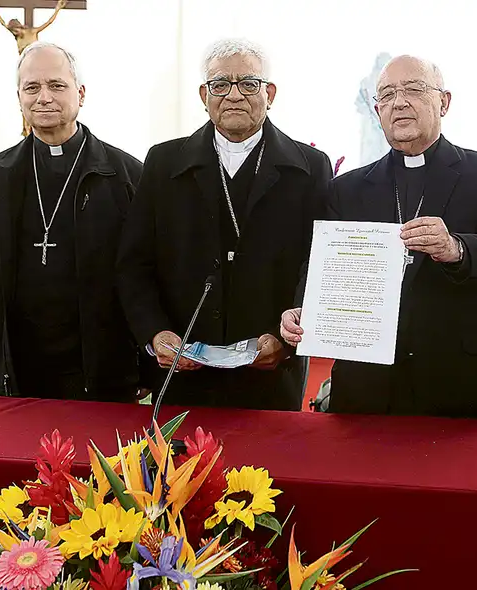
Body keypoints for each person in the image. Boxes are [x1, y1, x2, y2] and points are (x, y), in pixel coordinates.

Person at [280, 55, 477, 421]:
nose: (400, 102)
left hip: (461, 381)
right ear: (377, 111)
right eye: (387, 94)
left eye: (414, 89)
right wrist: (305, 309)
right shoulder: (347, 188)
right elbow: (322, 267)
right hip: (369, 385)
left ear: (444, 102)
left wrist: (455, 248)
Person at [117, 38, 332, 411]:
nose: (234, 95)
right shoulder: (164, 163)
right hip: (182, 371)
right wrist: (154, 334)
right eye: (220, 85)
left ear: (270, 92)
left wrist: (287, 339)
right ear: (204, 94)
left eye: (248, 84)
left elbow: (319, 264)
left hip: (271, 370)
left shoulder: (310, 168)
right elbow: (134, 263)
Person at [0, 42, 144, 402]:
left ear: (80, 93)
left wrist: (149, 368)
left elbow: (149, 274)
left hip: (101, 371)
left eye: (57, 86)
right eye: (32, 87)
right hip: (16, 371)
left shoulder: (124, 175)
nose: (44, 98)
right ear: (19, 97)